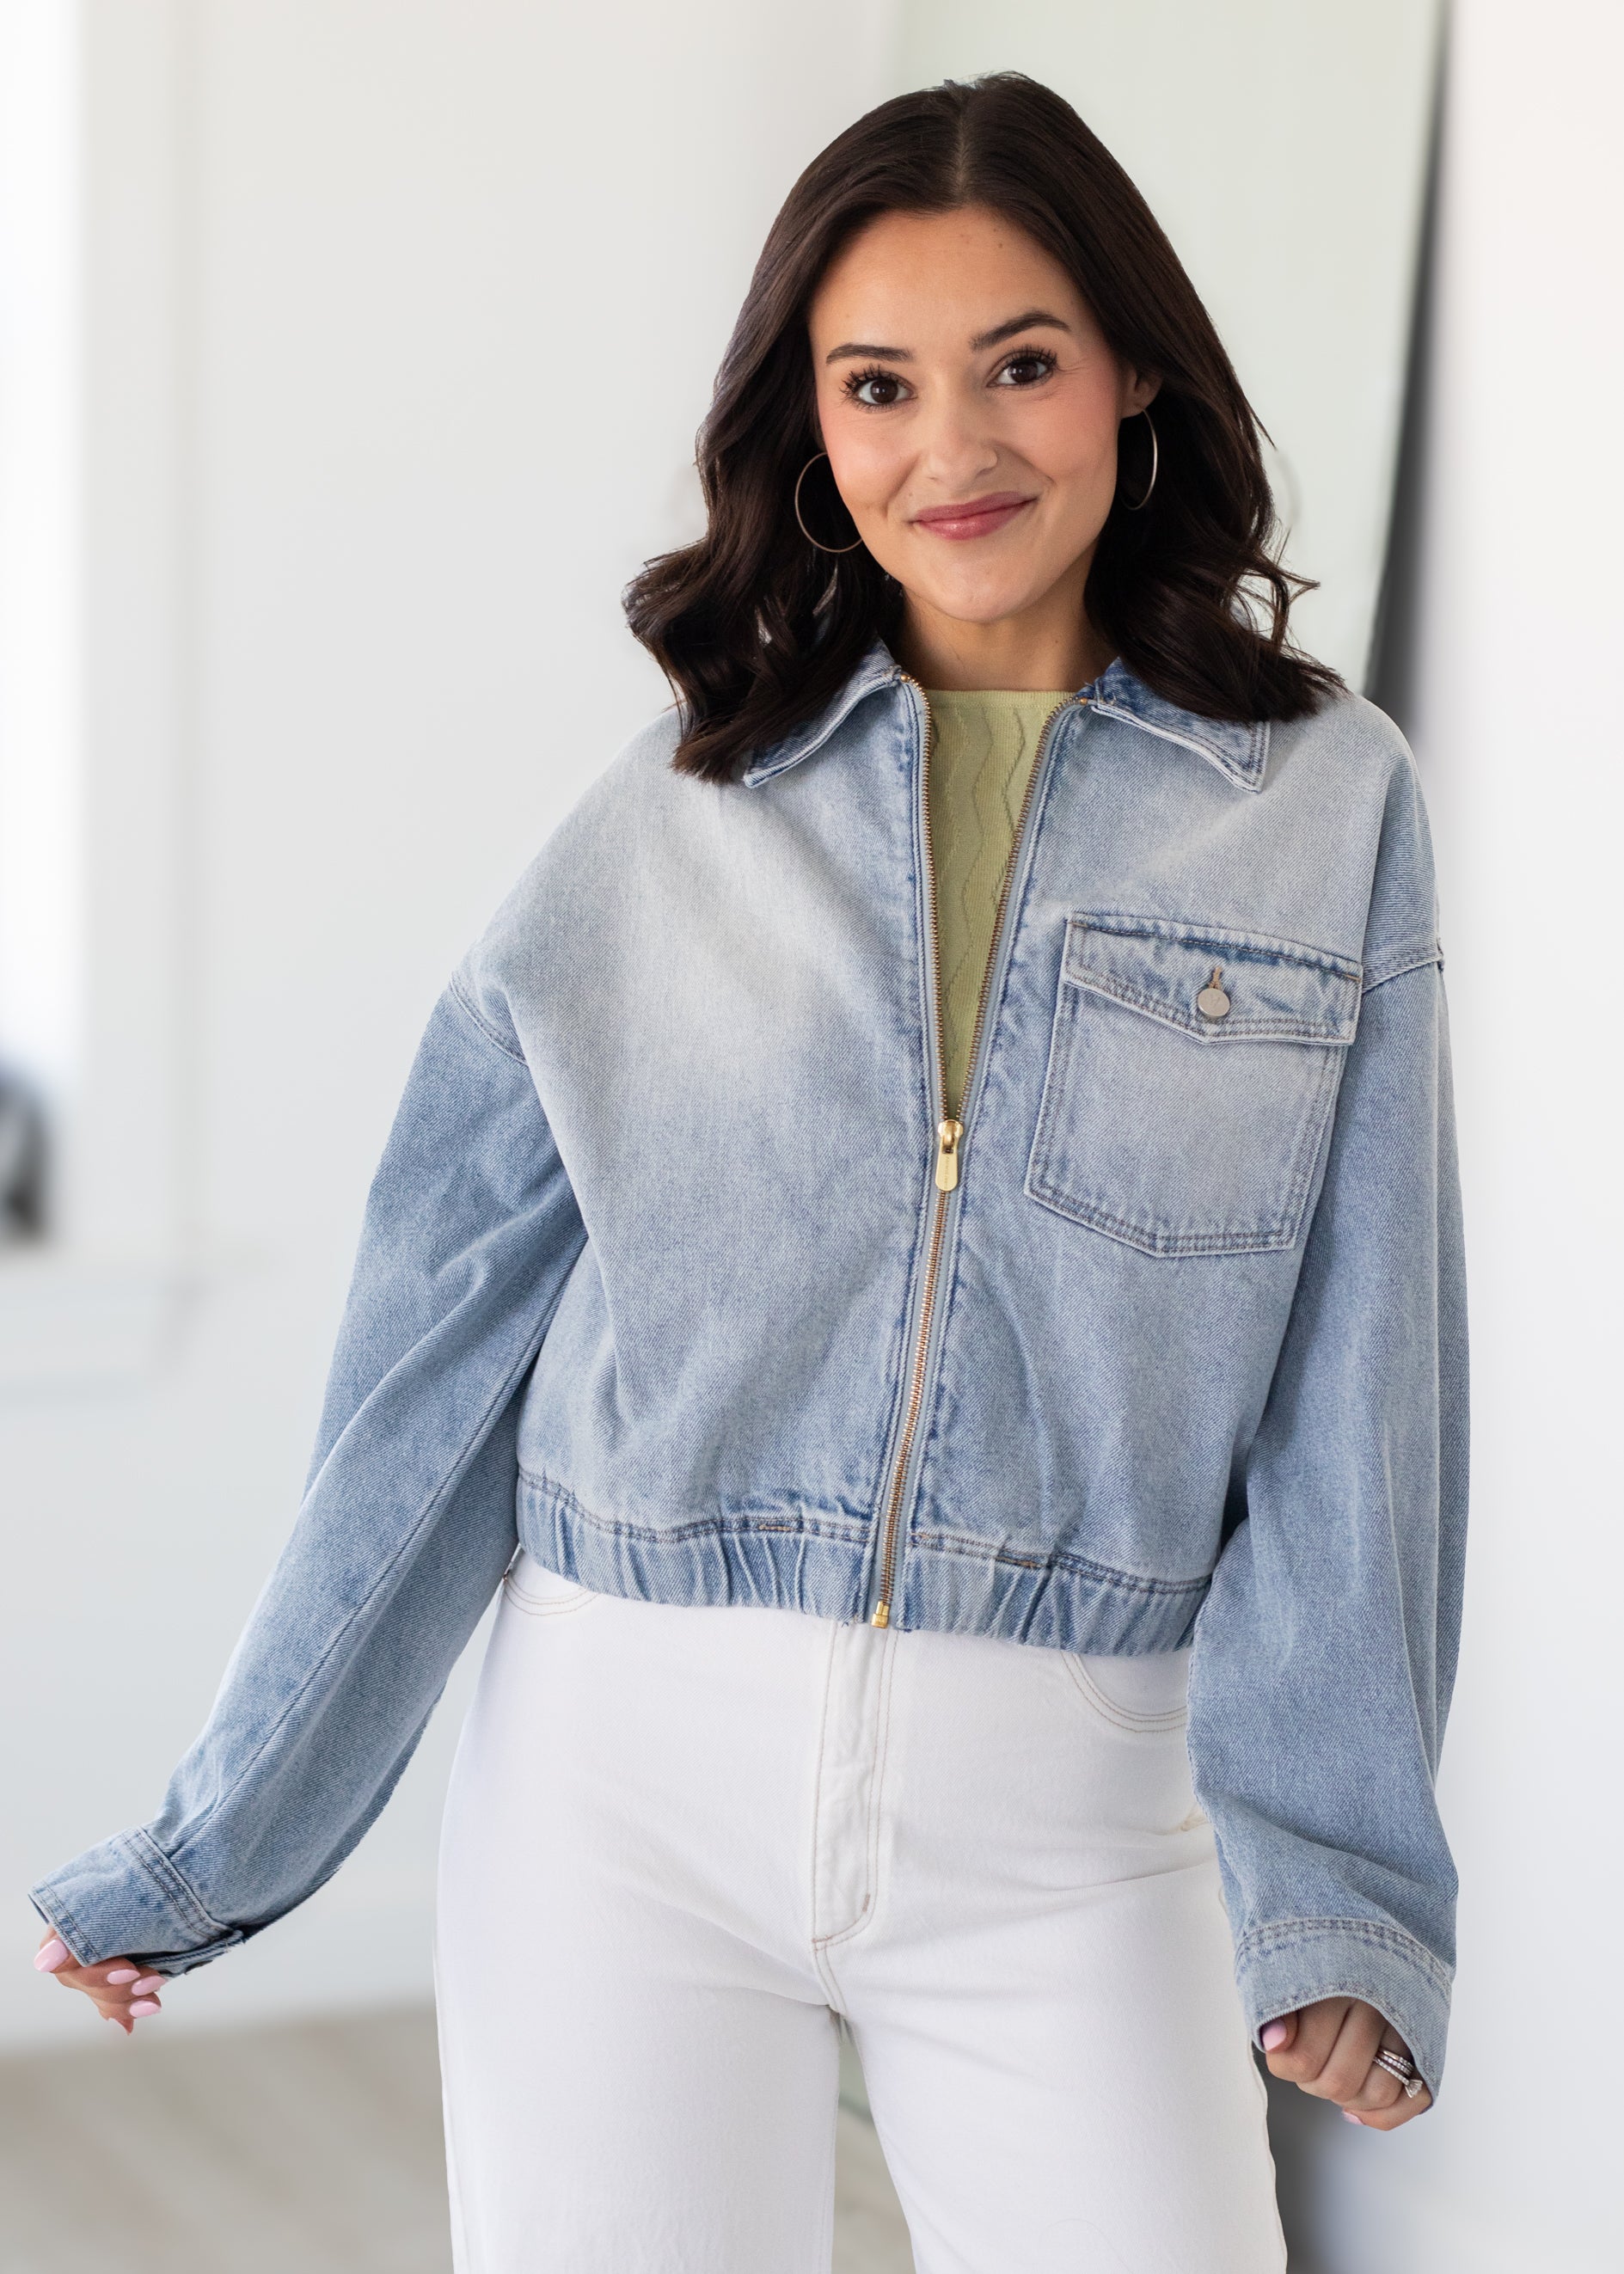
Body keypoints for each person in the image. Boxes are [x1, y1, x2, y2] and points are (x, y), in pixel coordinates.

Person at [29, 74, 1466, 2272]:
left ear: (1134, 375)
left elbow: (1363, 1379)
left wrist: (1344, 1879)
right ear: (808, 425)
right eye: (877, 385)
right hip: (620, 1777)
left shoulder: (1320, 803)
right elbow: (434, 1376)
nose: (952, 450)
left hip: (1079, 1813)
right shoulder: (673, 811)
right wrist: (233, 1833)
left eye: (1022, 365)